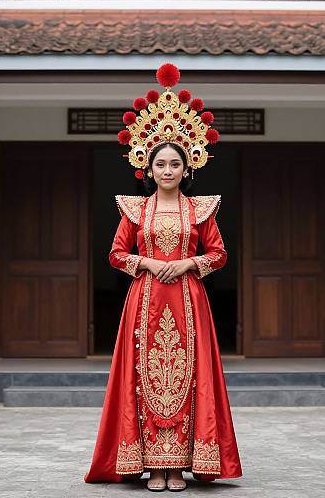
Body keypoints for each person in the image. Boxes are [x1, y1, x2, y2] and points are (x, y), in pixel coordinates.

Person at [84, 63, 242, 492]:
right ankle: (154, 466)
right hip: (147, 300)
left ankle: (181, 466)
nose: (168, 170)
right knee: (144, 376)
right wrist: (148, 263)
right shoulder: (134, 210)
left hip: (190, 301)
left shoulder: (200, 210)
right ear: (147, 168)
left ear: (188, 167)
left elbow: (219, 254)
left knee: (190, 377)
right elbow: (116, 254)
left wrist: (191, 264)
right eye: (161, 164)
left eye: (175, 163)